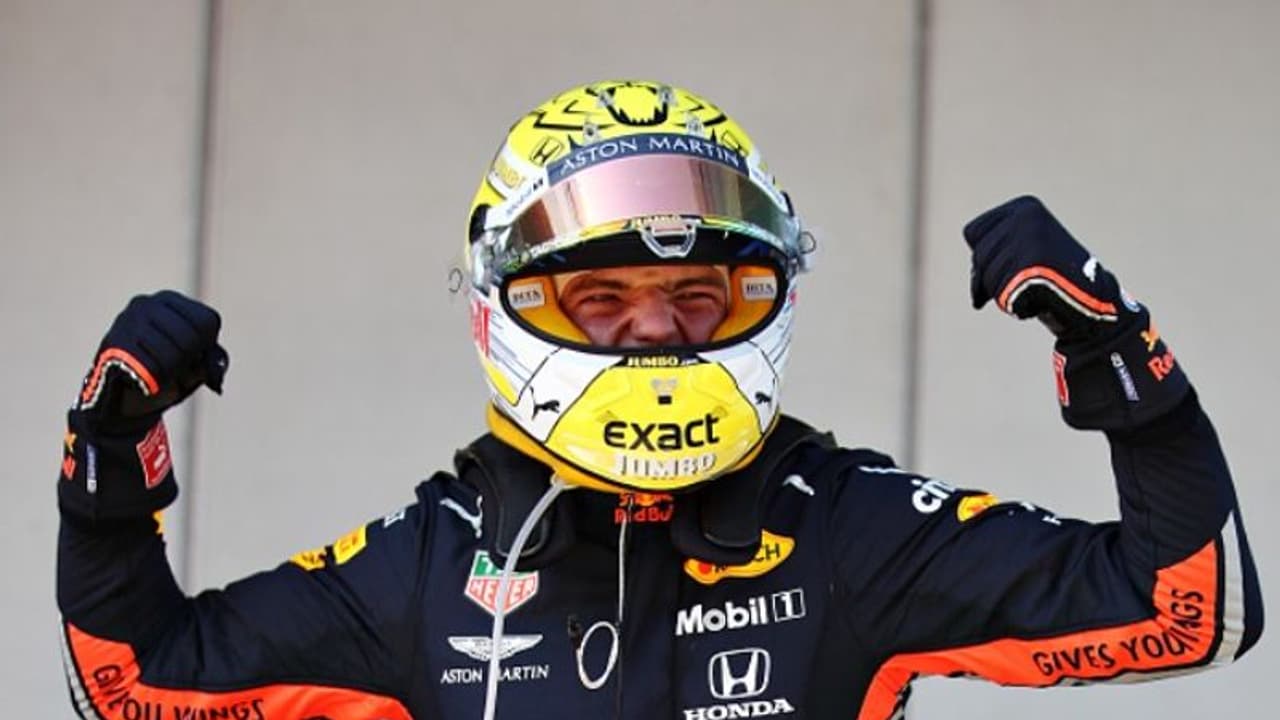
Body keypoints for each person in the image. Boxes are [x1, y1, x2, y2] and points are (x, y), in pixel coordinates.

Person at [56, 80, 1261, 720]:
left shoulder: (843, 527)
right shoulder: (435, 562)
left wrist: (1121, 367)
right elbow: (133, 681)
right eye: (601, 300)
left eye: (695, 294)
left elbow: (1187, 610)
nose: (654, 329)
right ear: (503, 308)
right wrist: (110, 464)